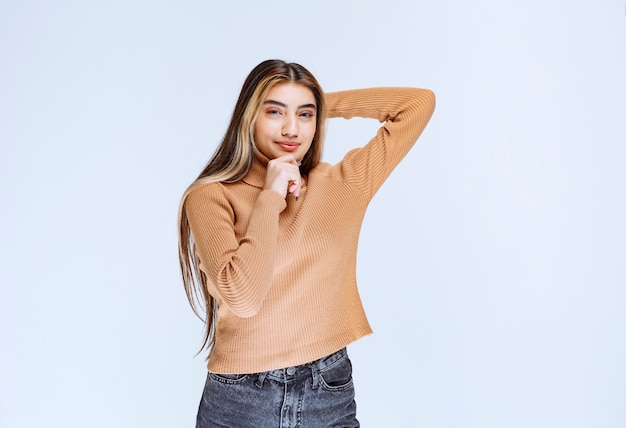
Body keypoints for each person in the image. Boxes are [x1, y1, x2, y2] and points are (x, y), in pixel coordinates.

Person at [178, 59, 435, 427]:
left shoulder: (343, 184)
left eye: (304, 115)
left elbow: (417, 104)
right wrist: (269, 196)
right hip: (240, 399)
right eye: (274, 111)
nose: (291, 128)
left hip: (327, 389)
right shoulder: (210, 197)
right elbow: (243, 297)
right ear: (248, 116)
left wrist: (322, 103)